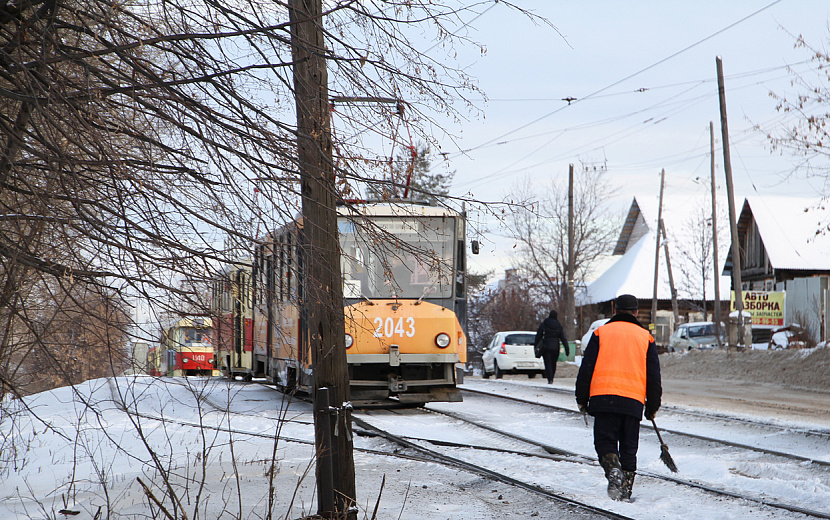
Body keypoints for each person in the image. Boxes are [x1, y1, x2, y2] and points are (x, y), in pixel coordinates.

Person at [574, 294, 661, 502]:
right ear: (636, 312)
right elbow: (653, 376)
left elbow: (586, 368)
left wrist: (581, 398)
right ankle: (626, 490)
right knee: (629, 448)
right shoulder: (646, 337)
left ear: (614, 310)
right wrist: (652, 406)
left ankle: (613, 470)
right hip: (633, 401)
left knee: (605, 442)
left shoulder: (600, 333)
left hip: (603, 398)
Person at [534, 310, 569, 384]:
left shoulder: (544, 323)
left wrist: (536, 345)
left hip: (546, 347)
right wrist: (567, 348)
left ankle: (550, 378)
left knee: (548, 363)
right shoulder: (558, 325)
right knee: (553, 363)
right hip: (555, 347)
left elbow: (538, 335)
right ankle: (552, 376)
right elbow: (563, 338)